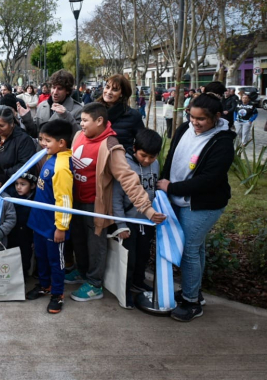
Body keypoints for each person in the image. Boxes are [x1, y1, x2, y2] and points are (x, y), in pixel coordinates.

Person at [66, 103, 165, 302]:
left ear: (99, 121)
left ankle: (94, 284)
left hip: (96, 205)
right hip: (75, 201)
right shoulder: (78, 136)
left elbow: (129, 179)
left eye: (85, 120)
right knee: (78, 240)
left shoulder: (111, 147)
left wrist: (146, 209)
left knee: (96, 244)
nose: (81, 124)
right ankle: (82, 271)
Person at [157, 82, 235, 322]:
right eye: (192, 117)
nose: (195, 123)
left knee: (189, 249)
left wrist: (173, 187)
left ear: (216, 117)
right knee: (196, 248)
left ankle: (191, 303)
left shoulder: (222, 143)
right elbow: (171, 156)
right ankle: (195, 293)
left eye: (201, 119)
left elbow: (208, 180)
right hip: (178, 198)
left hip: (203, 204)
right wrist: (165, 182)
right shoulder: (183, 129)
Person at [25, 119, 74, 314]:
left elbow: (65, 200)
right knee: (41, 257)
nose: (42, 144)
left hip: (53, 227)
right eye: (41, 139)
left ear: (61, 143)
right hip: (40, 222)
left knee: (56, 261)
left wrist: (61, 228)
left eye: (47, 140)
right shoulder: (50, 157)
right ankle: (45, 286)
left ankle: (58, 294)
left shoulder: (62, 167)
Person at [112, 128, 162, 309]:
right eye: (144, 155)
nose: (148, 160)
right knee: (129, 258)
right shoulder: (124, 166)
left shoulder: (156, 165)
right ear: (134, 148)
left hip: (147, 221)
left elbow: (154, 191)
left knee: (143, 255)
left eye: (153, 157)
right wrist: (121, 224)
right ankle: (124, 289)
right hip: (129, 222)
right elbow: (116, 197)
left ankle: (138, 282)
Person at [0, 105, 37, 180]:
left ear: (12, 124)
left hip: (13, 185)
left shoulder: (23, 140)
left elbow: (26, 165)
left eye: (1, 125)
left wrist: (1, 174)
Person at [97, 74, 144, 153]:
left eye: (114, 90)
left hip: (120, 162)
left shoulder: (133, 116)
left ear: (122, 94)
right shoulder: (93, 111)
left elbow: (143, 142)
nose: (108, 92)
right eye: (107, 87)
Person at [33, 70, 83, 137]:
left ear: (67, 91)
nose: (55, 92)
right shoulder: (42, 106)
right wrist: (25, 117)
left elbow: (79, 136)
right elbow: (34, 131)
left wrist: (66, 115)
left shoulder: (78, 110)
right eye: (53, 87)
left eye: (60, 89)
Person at [7, 172, 36, 281]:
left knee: (25, 256)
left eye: (23, 184)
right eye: (17, 184)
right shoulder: (11, 197)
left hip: (27, 235)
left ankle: (22, 278)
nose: (18, 187)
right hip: (12, 233)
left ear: (32, 186)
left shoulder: (35, 200)